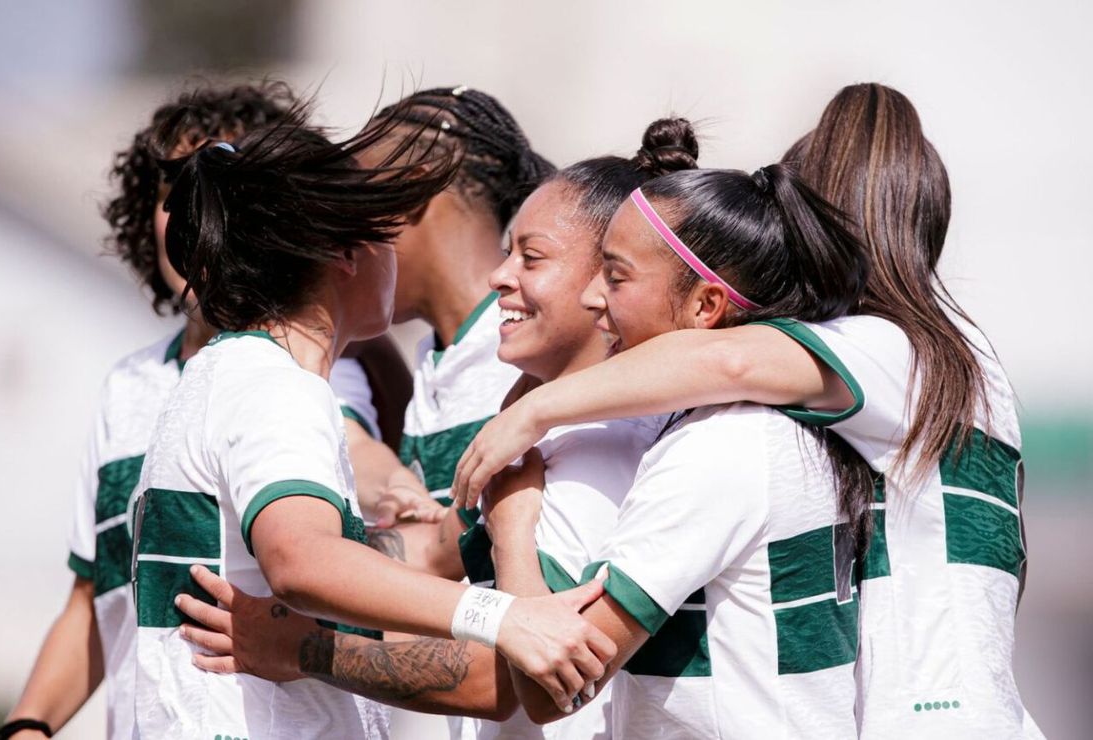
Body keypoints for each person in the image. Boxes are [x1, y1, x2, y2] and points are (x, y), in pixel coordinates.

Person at [454, 83, 1037, 738]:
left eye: (615, 276)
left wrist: (530, 419)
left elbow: (727, 360)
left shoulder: (892, 352)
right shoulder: (958, 359)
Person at [174, 118, 707, 740]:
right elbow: (425, 553)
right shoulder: (543, 431)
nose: (499, 276)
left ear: (606, 283)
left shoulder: (603, 448)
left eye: (530, 258)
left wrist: (304, 648)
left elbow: (504, 682)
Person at [0, 82, 388, 740]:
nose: (196, 215)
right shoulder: (129, 386)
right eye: (176, 194)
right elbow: (96, 597)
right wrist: (28, 726)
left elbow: (360, 468)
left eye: (219, 190)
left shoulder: (316, 371)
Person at [494, 160, 871, 737]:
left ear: (705, 306)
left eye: (615, 277)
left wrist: (511, 522)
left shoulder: (717, 447)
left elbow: (556, 686)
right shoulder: (781, 426)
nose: (594, 297)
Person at [363, 86, 555, 525]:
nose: (345, 235)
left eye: (359, 201)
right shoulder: (438, 356)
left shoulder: (531, 354)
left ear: (408, 194)